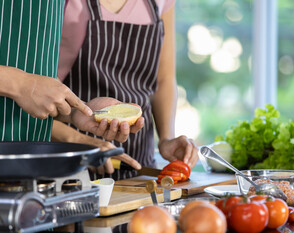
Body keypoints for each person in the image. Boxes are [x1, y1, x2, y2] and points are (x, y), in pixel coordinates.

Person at [0, 0, 143, 144]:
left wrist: (75, 112)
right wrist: (21, 84)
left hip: (30, 175)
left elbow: (31, 87)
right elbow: (26, 86)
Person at [52, 0, 199, 180]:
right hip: (71, 168)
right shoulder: (61, 4)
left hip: (139, 171)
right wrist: (82, 142)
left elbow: (163, 80)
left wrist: (166, 138)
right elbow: (34, 97)